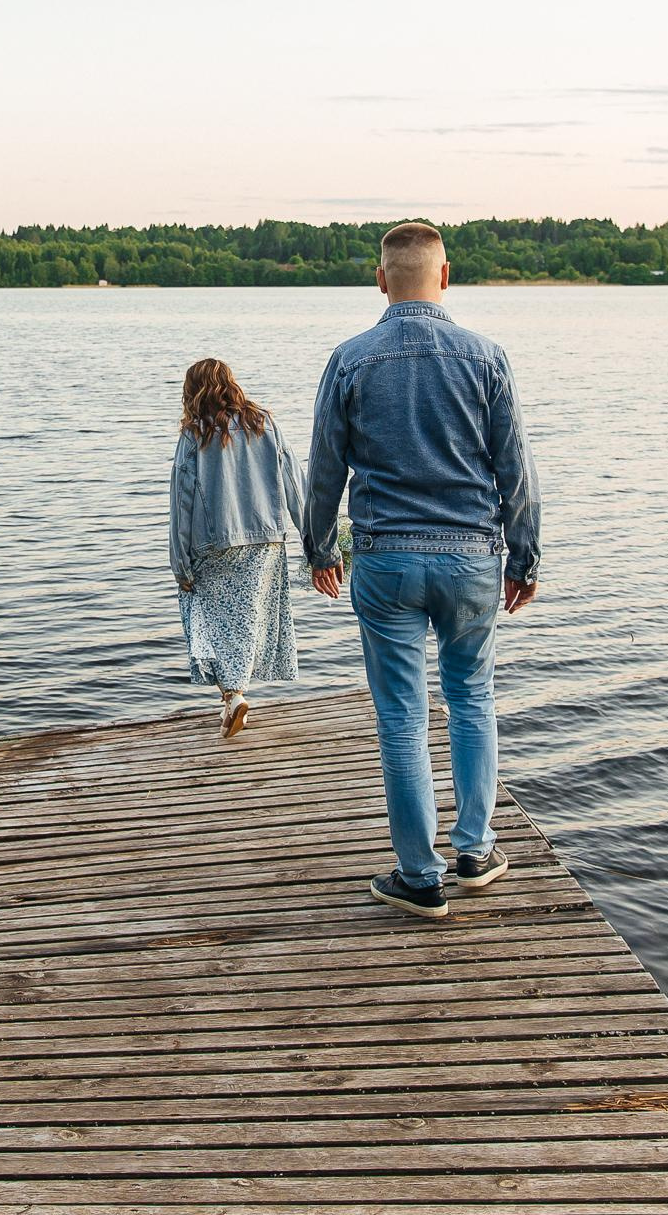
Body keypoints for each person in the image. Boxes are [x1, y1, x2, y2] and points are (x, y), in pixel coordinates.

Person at [304, 221, 541, 919]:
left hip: (387, 560)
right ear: (445, 276)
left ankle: (419, 875)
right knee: (472, 700)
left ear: (381, 280)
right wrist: (524, 556)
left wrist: (320, 550)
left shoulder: (350, 359)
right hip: (472, 558)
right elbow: (515, 470)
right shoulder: (486, 357)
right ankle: (474, 851)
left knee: (403, 718)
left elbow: (323, 471)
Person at [169, 358, 305, 738]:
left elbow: (181, 502)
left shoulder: (194, 434)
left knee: (204, 617)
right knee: (248, 618)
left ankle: (231, 695)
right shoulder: (265, 424)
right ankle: (234, 696)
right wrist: (313, 541)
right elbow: (296, 484)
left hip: (213, 543)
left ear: (192, 390)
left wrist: (180, 564)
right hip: (266, 542)